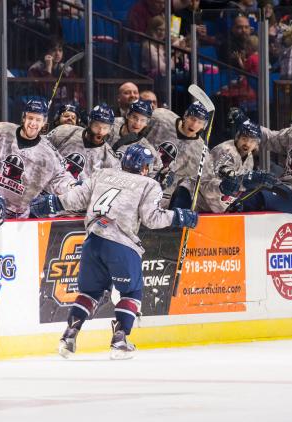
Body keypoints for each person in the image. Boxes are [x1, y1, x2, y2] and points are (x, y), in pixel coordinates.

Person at [30, 144, 198, 359]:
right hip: (121, 245)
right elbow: (152, 219)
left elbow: (75, 200)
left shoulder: (103, 174)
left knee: (89, 293)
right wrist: (179, 216)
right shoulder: (149, 184)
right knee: (131, 292)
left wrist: (53, 203)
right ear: (145, 168)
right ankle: (120, 341)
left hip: (93, 242)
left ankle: (69, 336)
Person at [0, 99, 77, 218]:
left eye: (38, 120)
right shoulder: (0, 131)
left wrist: (73, 186)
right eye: (30, 118)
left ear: (44, 123)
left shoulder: (49, 153)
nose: (33, 123)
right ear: (23, 118)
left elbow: (60, 177)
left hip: (20, 218)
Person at [198, 119, 276, 213]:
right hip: (201, 203)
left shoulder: (249, 156)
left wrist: (234, 202)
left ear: (256, 144)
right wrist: (252, 177)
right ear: (237, 137)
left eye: (252, 141)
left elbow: (239, 186)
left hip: (217, 207)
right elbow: (226, 178)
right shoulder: (226, 150)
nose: (247, 144)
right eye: (244, 139)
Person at [144, 101, 210, 209]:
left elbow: (204, 185)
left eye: (199, 122)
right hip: (137, 178)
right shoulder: (160, 118)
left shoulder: (201, 152)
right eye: (192, 119)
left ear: (204, 126)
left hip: (161, 198)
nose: (194, 125)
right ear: (185, 116)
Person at [46, 103, 121, 181]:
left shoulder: (110, 159)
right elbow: (41, 152)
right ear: (89, 123)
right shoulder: (64, 131)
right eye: (96, 126)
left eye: (105, 128)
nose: (100, 132)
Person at [109, 100, 162, 171]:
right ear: (127, 115)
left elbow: (157, 170)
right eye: (134, 117)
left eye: (142, 120)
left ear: (147, 123)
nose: (137, 123)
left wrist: (162, 174)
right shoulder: (111, 125)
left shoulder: (146, 148)